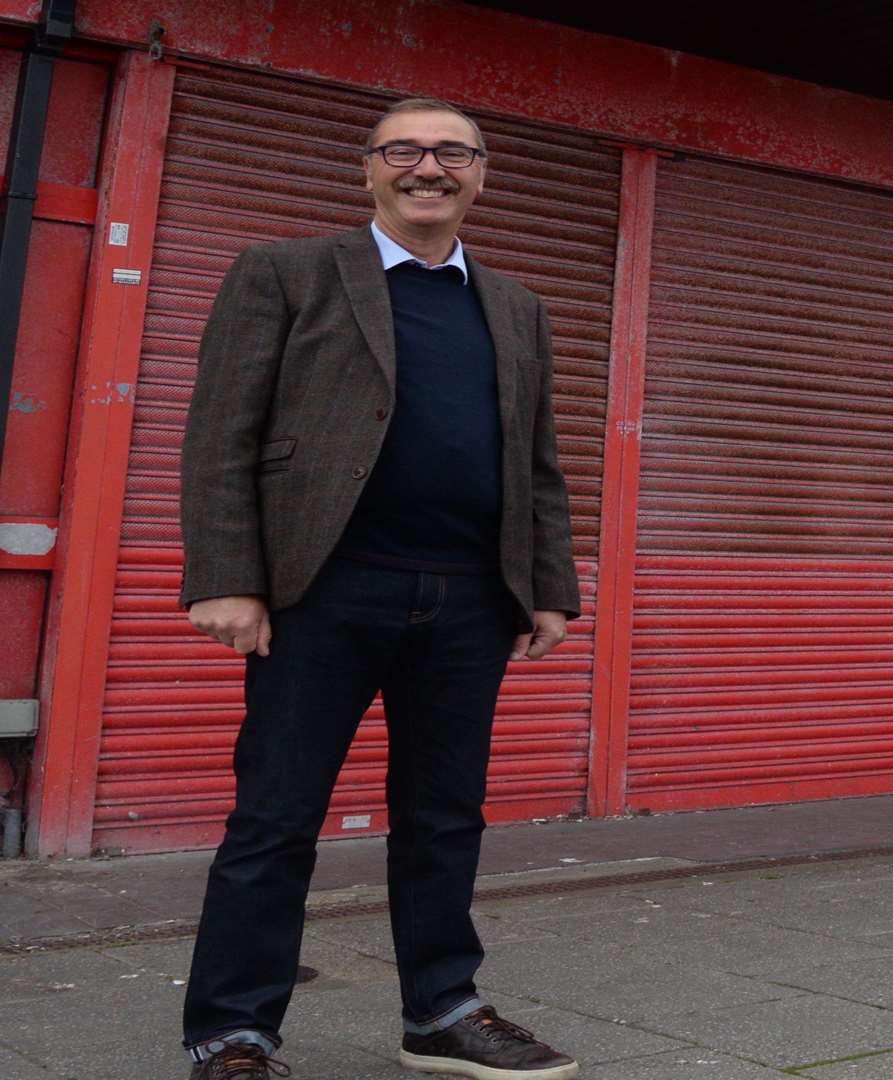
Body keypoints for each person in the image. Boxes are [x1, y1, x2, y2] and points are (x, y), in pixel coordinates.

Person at [176, 97, 581, 1080]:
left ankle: (441, 1010)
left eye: (451, 152)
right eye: (403, 149)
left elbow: (536, 462)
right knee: (276, 818)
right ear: (367, 170)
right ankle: (233, 1033)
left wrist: (550, 586)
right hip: (324, 592)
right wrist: (227, 576)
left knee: (445, 818)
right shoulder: (286, 273)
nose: (426, 166)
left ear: (481, 174)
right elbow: (221, 429)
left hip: (467, 601)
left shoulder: (516, 304)